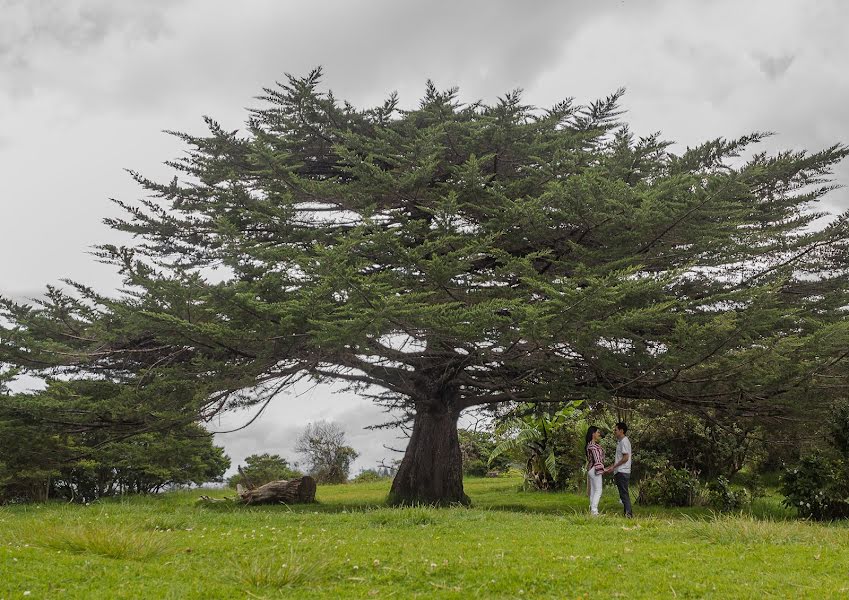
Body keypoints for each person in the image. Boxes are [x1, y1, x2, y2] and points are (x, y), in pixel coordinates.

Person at [605, 421, 633, 518]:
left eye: (616, 430)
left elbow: (625, 458)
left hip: (622, 471)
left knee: (624, 494)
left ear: (621, 430)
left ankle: (629, 514)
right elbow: (620, 458)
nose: (614, 432)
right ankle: (627, 514)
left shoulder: (624, 441)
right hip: (620, 471)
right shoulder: (620, 442)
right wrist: (612, 467)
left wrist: (614, 467)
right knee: (623, 494)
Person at [584, 426, 605, 516]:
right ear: (593, 434)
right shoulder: (593, 446)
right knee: (598, 490)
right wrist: (602, 469)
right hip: (595, 468)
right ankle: (594, 511)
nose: (598, 434)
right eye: (597, 432)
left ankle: (592, 510)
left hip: (591, 469)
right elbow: (597, 460)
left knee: (593, 491)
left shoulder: (590, 445)